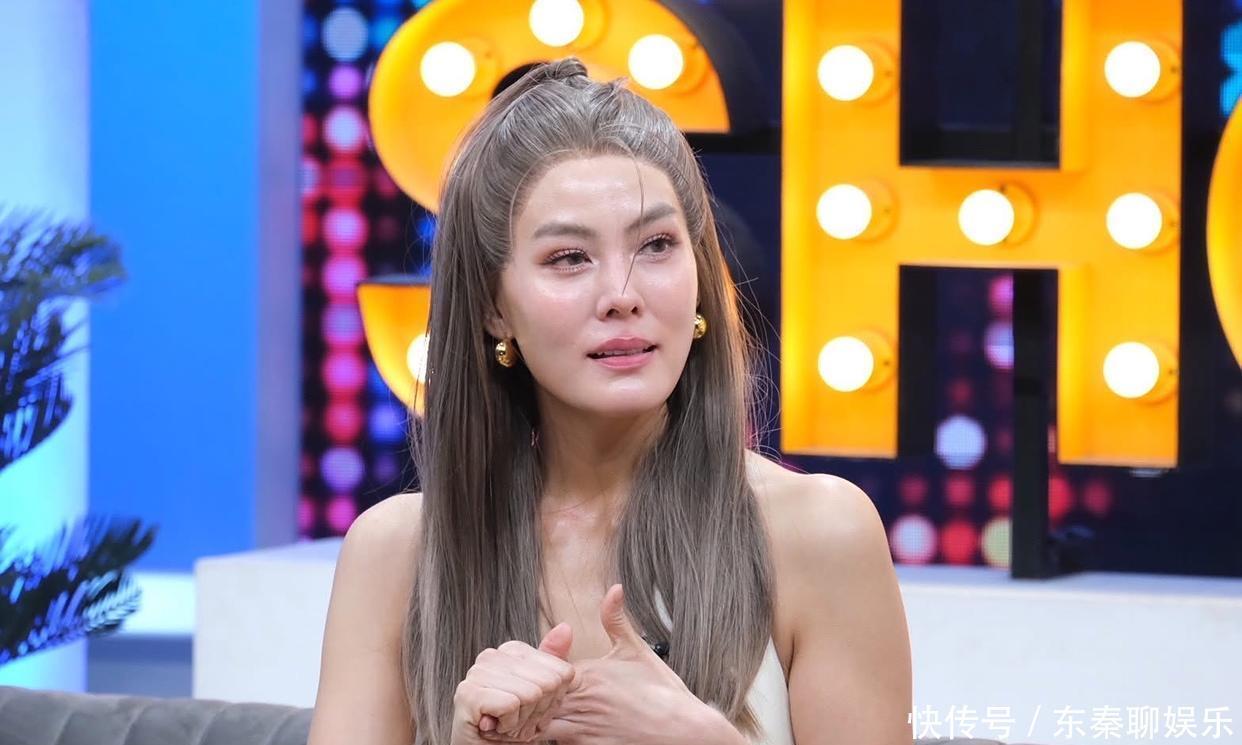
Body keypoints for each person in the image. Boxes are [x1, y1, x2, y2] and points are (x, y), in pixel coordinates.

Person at [308, 57, 912, 745]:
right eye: (569, 258)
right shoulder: (397, 555)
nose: (622, 294)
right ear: (494, 308)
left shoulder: (819, 533)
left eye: (656, 245)